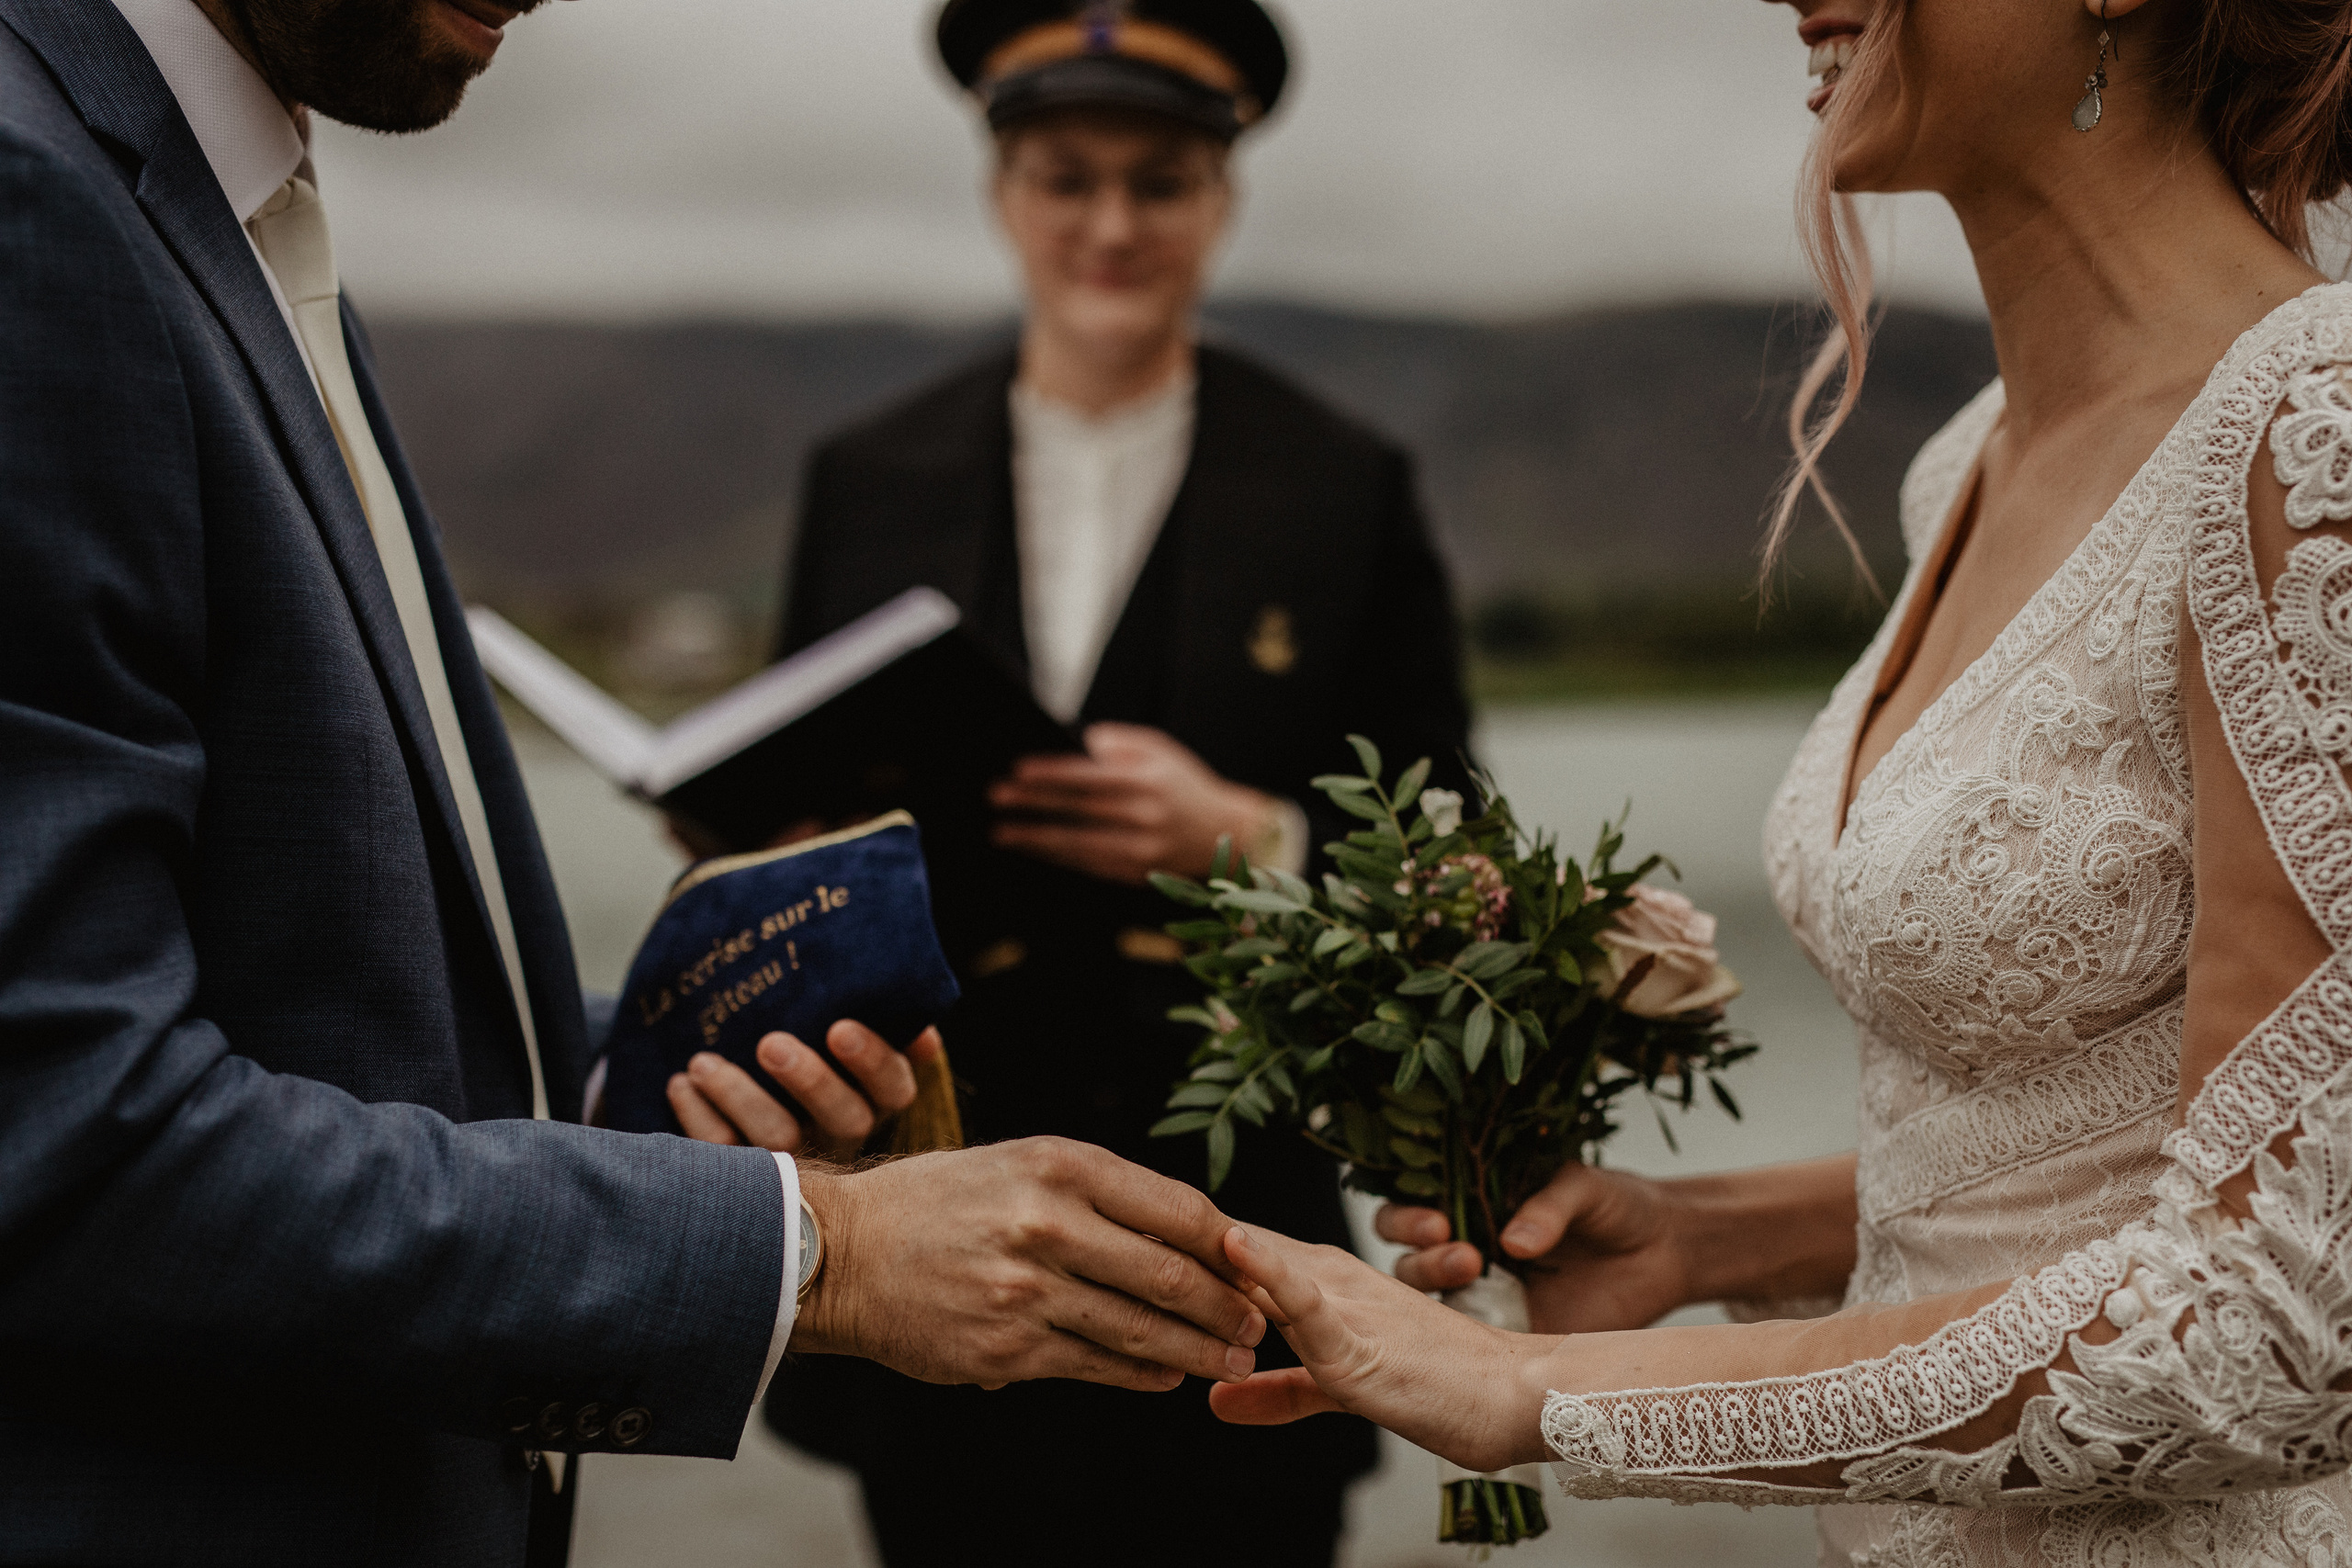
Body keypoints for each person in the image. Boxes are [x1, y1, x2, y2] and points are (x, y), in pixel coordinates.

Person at [0, 2, 1274, 1563]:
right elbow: (56, 1135)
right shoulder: (35, 200)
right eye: (1065, 175)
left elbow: (305, 984)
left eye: (1159, 182)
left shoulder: (230, 201)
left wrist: (661, 1084)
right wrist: (827, 1253)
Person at [1199, 0, 2352, 1563]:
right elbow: (2085, 1149)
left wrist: (1538, 1391)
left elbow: (2282, 1316)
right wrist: (1708, 1237)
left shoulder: (2313, 433)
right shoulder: (1966, 460)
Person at [670, 3, 1474, 1563]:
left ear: (1224, 199)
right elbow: (796, 814)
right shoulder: (868, 473)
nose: (1111, 224)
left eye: (1160, 183)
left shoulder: (1342, 481)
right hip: (937, 1239)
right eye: (1066, 177)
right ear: (1001, 190)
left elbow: (1462, 857)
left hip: (1245, 1257)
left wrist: (1259, 837)